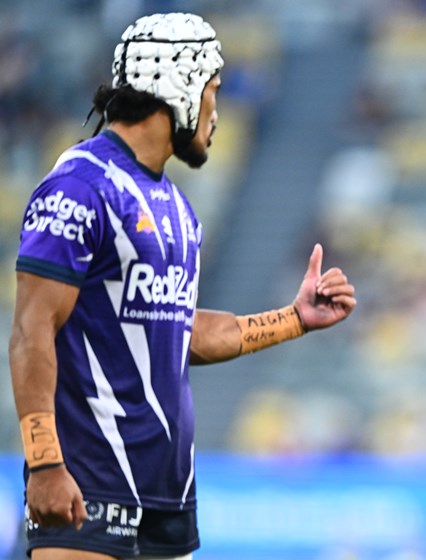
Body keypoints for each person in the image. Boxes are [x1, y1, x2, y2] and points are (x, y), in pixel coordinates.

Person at [9, 12, 356, 560]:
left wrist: (293, 319)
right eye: (213, 91)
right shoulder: (80, 186)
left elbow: (180, 335)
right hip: (88, 487)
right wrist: (46, 462)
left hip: (168, 499)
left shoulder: (177, 208)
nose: (217, 111)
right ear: (179, 86)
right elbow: (32, 330)